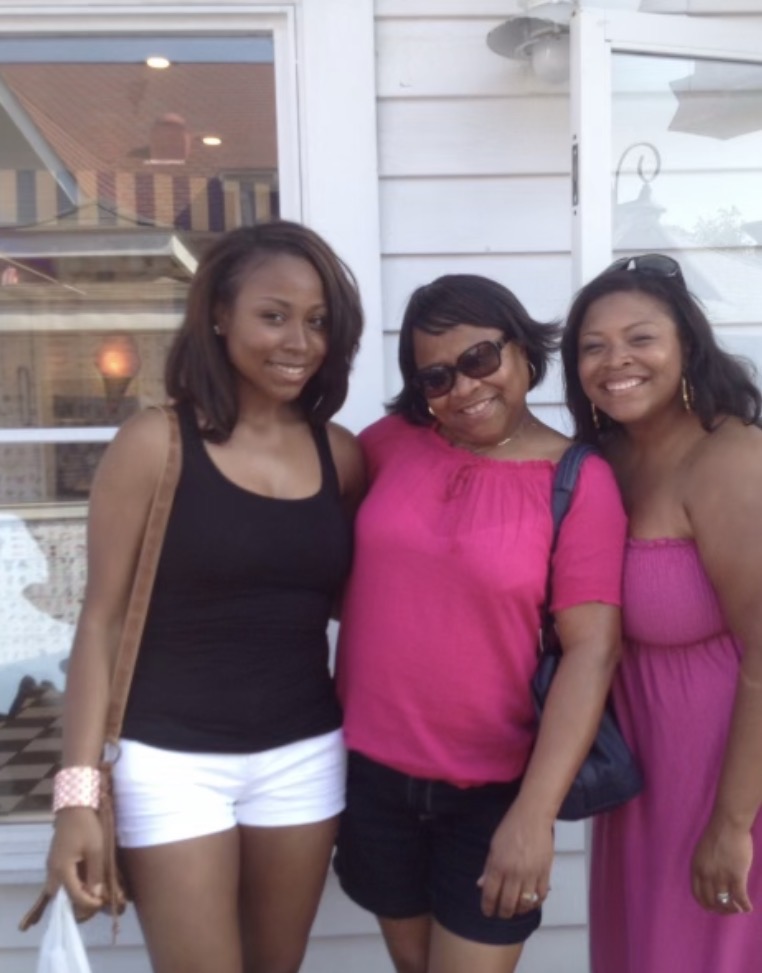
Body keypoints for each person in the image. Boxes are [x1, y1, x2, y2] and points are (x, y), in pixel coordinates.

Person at [45, 220, 365, 973]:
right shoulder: (154, 444)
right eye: (274, 315)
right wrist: (75, 796)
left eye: (318, 321)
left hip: (303, 755)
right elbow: (100, 624)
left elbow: (354, 601)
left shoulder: (342, 455)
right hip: (170, 762)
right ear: (219, 314)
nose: (299, 341)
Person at [333, 273, 627, 973]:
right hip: (371, 778)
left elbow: (592, 652)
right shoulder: (387, 445)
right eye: (436, 377)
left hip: (494, 792)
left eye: (479, 358)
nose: (464, 388)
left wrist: (534, 815)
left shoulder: (578, 480)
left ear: (522, 349)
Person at [561, 252, 762, 973]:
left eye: (640, 338)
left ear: (686, 347)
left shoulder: (729, 458)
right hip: (640, 773)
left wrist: (733, 823)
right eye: (593, 345)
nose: (616, 360)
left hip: (728, 772)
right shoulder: (600, 462)